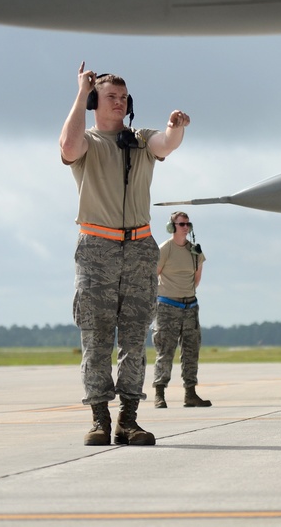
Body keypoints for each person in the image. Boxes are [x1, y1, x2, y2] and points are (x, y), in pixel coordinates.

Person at [60, 62, 190, 446]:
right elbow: (67, 147)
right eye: (110, 97)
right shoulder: (88, 142)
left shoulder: (140, 139)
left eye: (123, 97)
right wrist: (81, 92)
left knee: (134, 338)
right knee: (96, 337)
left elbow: (164, 144)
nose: (118, 102)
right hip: (96, 249)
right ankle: (99, 419)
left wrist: (175, 127)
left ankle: (128, 419)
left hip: (138, 248)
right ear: (96, 102)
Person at [152, 211, 211, 408]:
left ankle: (190, 393)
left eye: (188, 224)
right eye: (181, 224)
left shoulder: (195, 251)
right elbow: (155, 275)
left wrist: (187, 293)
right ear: (172, 227)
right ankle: (159, 393)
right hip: (168, 306)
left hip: (190, 306)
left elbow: (197, 277)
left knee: (191, 350)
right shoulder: (164, 249)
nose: (185, 227)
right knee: (165, 350)